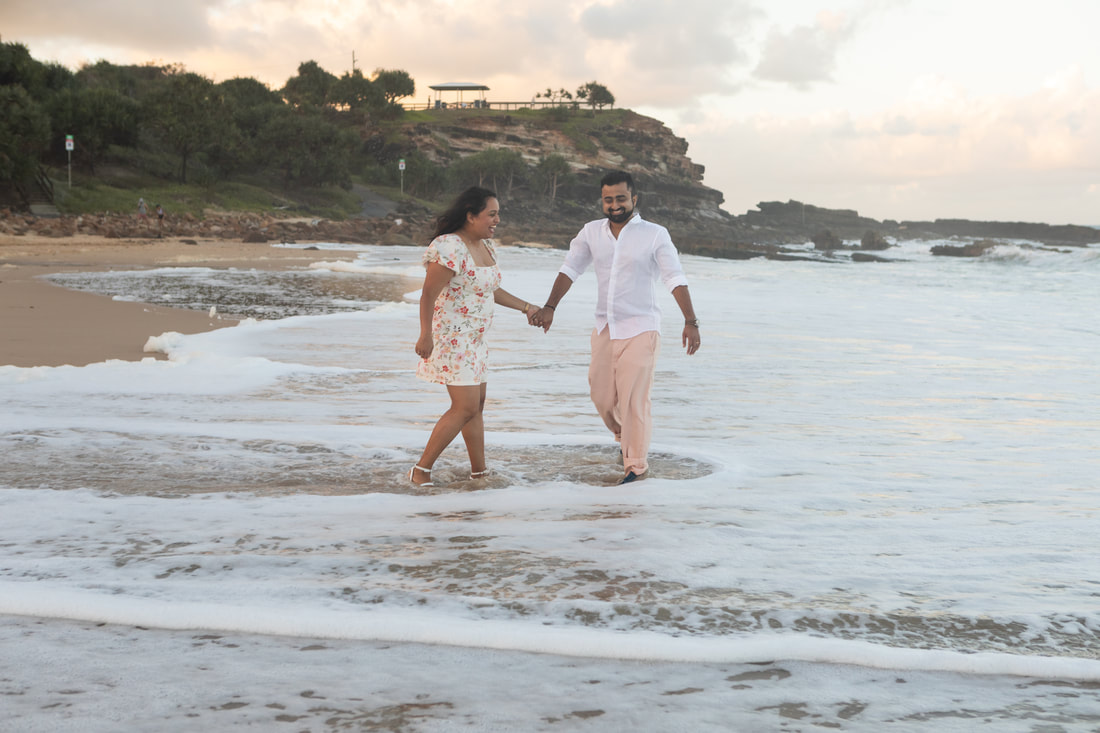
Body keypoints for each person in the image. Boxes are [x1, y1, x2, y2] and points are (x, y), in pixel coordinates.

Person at [531, 171, 700, 484]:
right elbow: (570, 269)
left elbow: (673, 277)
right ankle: (626, 436)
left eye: (621, 198)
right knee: (602, 397)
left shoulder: (655, 234)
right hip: (606, 326)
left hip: (642, 327)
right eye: (608, 199)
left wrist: (690, 321)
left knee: (635, 399)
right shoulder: (591, 232)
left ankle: (635, 465)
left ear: (634, 199)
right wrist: (550, 307)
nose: (614, 205)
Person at [410, 186, 538, 488]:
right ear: (470, 215)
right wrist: (424, 334)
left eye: (498, 214)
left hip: (476, 341)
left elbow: (490, 289)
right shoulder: (449, 246)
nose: (496, 220)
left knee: (476, 406)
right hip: (452, 339)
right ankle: (420, 470)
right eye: (491, 214)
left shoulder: (486, 246)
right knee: (464, 407)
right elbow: (428, 294)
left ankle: (479, 472)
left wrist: (527, 308)